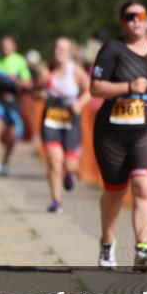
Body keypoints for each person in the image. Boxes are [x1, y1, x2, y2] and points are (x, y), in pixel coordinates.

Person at [90, 0, 147, 271]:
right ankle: (107, 243)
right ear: (122, 22)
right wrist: (128, 86)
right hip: (112, 131)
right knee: (114, 190)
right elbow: (95, 88)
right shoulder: (112, 49)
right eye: (129, 17)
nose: (135, 21)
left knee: (143, 186)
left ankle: (142, 250)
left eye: (140, 16)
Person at [36, 38, 90, 213]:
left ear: (70, 52)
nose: (60, 52)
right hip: (51, 119)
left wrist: (79, 103)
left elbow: (90, 90)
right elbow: (33, 92)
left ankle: (70, 175)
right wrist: (41, 94)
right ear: (53, 51)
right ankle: (56, 201)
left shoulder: (76, 71)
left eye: (64, 49)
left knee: (70, 164)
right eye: (57, 48)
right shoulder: (46, 71)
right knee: (54, 161)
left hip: (71, 120)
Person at [0, 36, 32, 177]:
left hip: (13, 103)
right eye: (3, 46)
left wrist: (16, 80)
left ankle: (5, 161)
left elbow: (28, 83)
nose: (5, 48)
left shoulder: (19, 61)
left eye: (8, 46)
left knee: (12, 135)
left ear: (14, 47)